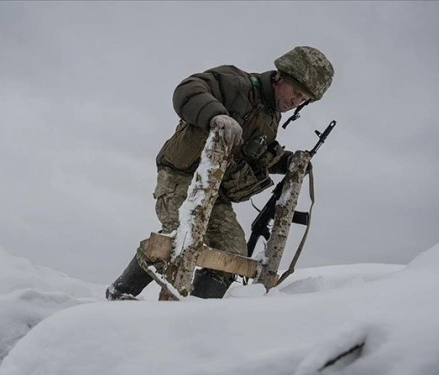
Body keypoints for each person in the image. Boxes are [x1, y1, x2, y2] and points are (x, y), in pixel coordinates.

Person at [106, 46, 334, 300]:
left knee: (233, 253)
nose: (296, 102)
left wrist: (289, 163)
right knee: (179, 238)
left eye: (303, 99)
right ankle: (119, 294)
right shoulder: (237, 83)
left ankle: (197, 313)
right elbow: (187, 90)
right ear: (281, 77)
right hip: (181, 177)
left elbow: (256, 155)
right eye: (295, 92)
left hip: (216, 193)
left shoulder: (270, 120)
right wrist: (216, 115)